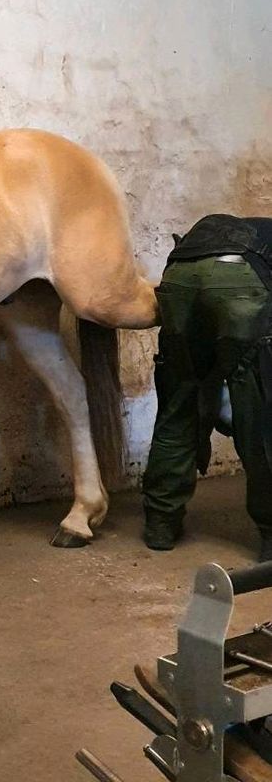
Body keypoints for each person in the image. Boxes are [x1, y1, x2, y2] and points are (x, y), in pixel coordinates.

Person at [143, 214, 272, 558]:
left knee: (178, 399)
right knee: (259, 414)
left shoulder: (253, 227)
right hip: (239, 278)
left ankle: (161, 521)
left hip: (180, 273)